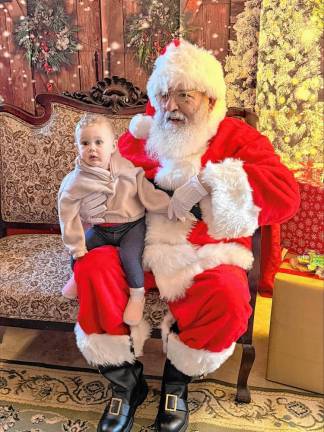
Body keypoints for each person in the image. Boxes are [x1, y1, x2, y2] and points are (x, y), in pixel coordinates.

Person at [72, 40, 300, 432]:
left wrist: (212, 182)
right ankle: (125, 382)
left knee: (229, 295)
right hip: (137, 245)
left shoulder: (238, 136)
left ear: (210, 99)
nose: (171, 106)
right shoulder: (142, 133)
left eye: (184, 96)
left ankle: (177, 380)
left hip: (204, 252)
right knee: (93, 268)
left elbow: (285, 195)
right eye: (163, 95)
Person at [58, 113, 171, 326]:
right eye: (85, 143)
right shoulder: (76, 180)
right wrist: (76, 245)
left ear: (113, 146)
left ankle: (137, 296)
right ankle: (77, 276)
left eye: (99, 142)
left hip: (131, 226)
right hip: (101, 229)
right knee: (79, 252)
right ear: (77, 146)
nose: (92, 148)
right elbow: (67, 213)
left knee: (131, 258)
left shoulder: (127, 170)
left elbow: (146, 192)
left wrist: (168, 206)